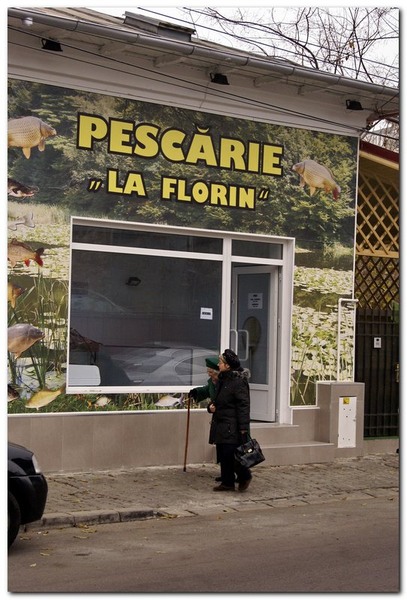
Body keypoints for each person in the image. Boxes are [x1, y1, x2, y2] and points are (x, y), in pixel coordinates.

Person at [207, 349, 252, 492]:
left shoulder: (238, 381)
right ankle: (227, 482)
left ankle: (245, 476)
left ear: (228, 365)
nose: (218, 364)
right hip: (220, 422)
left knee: (231, 454)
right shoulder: (222, 379)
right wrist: (210, 407)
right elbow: (217, 398)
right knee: (223, 453)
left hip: (232, 425)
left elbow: (243, 405)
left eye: (220, 362)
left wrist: (243, 427)